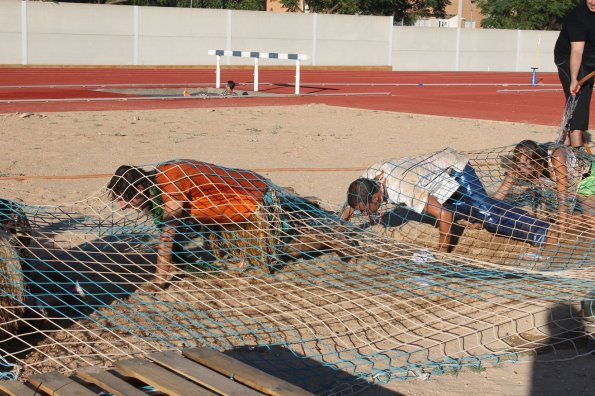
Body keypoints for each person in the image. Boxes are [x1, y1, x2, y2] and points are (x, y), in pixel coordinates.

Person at [107, 159, 349, 289]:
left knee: (274, 252)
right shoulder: (161, 178)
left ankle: (329, 239)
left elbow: (168, 235)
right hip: (234, 203)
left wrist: (160, 280)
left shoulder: (170, 184)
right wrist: (216, 244)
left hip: (250, 201)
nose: (122, 206)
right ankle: (306, 206)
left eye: (124, 199)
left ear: (139, 188)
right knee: (286, 219)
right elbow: (202, 206)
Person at [340, 148, 558, 253]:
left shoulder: (403, 189)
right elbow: (352, 202)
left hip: (455, 171)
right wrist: (339, 228)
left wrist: (441, 255)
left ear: (377, 196)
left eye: (366, 210)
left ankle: (542, 231)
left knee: (487, 215)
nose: (365, 214)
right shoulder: (367, 179)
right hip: (435, 180)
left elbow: (445, 215)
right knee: (473, 213)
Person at [494, 140, 594, 230]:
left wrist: (562, 226)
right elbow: (502, 191)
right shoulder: (520, 163)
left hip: (587, 177)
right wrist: (485, 215)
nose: (520, 169)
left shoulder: (557, 157)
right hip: (568, 181)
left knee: (590, 220)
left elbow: (562, 196)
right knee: (552, 217)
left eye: (524, 165)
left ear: (538, 163)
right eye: (518, 164)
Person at [554, 0, 595, 148]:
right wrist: (573, 79)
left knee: (584, 98)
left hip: (590, 59)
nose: (592, 1)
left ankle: (565, 137)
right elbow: (577, 51)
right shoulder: (577, 16)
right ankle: (577, 150)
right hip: (568, 57)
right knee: (578, 98)